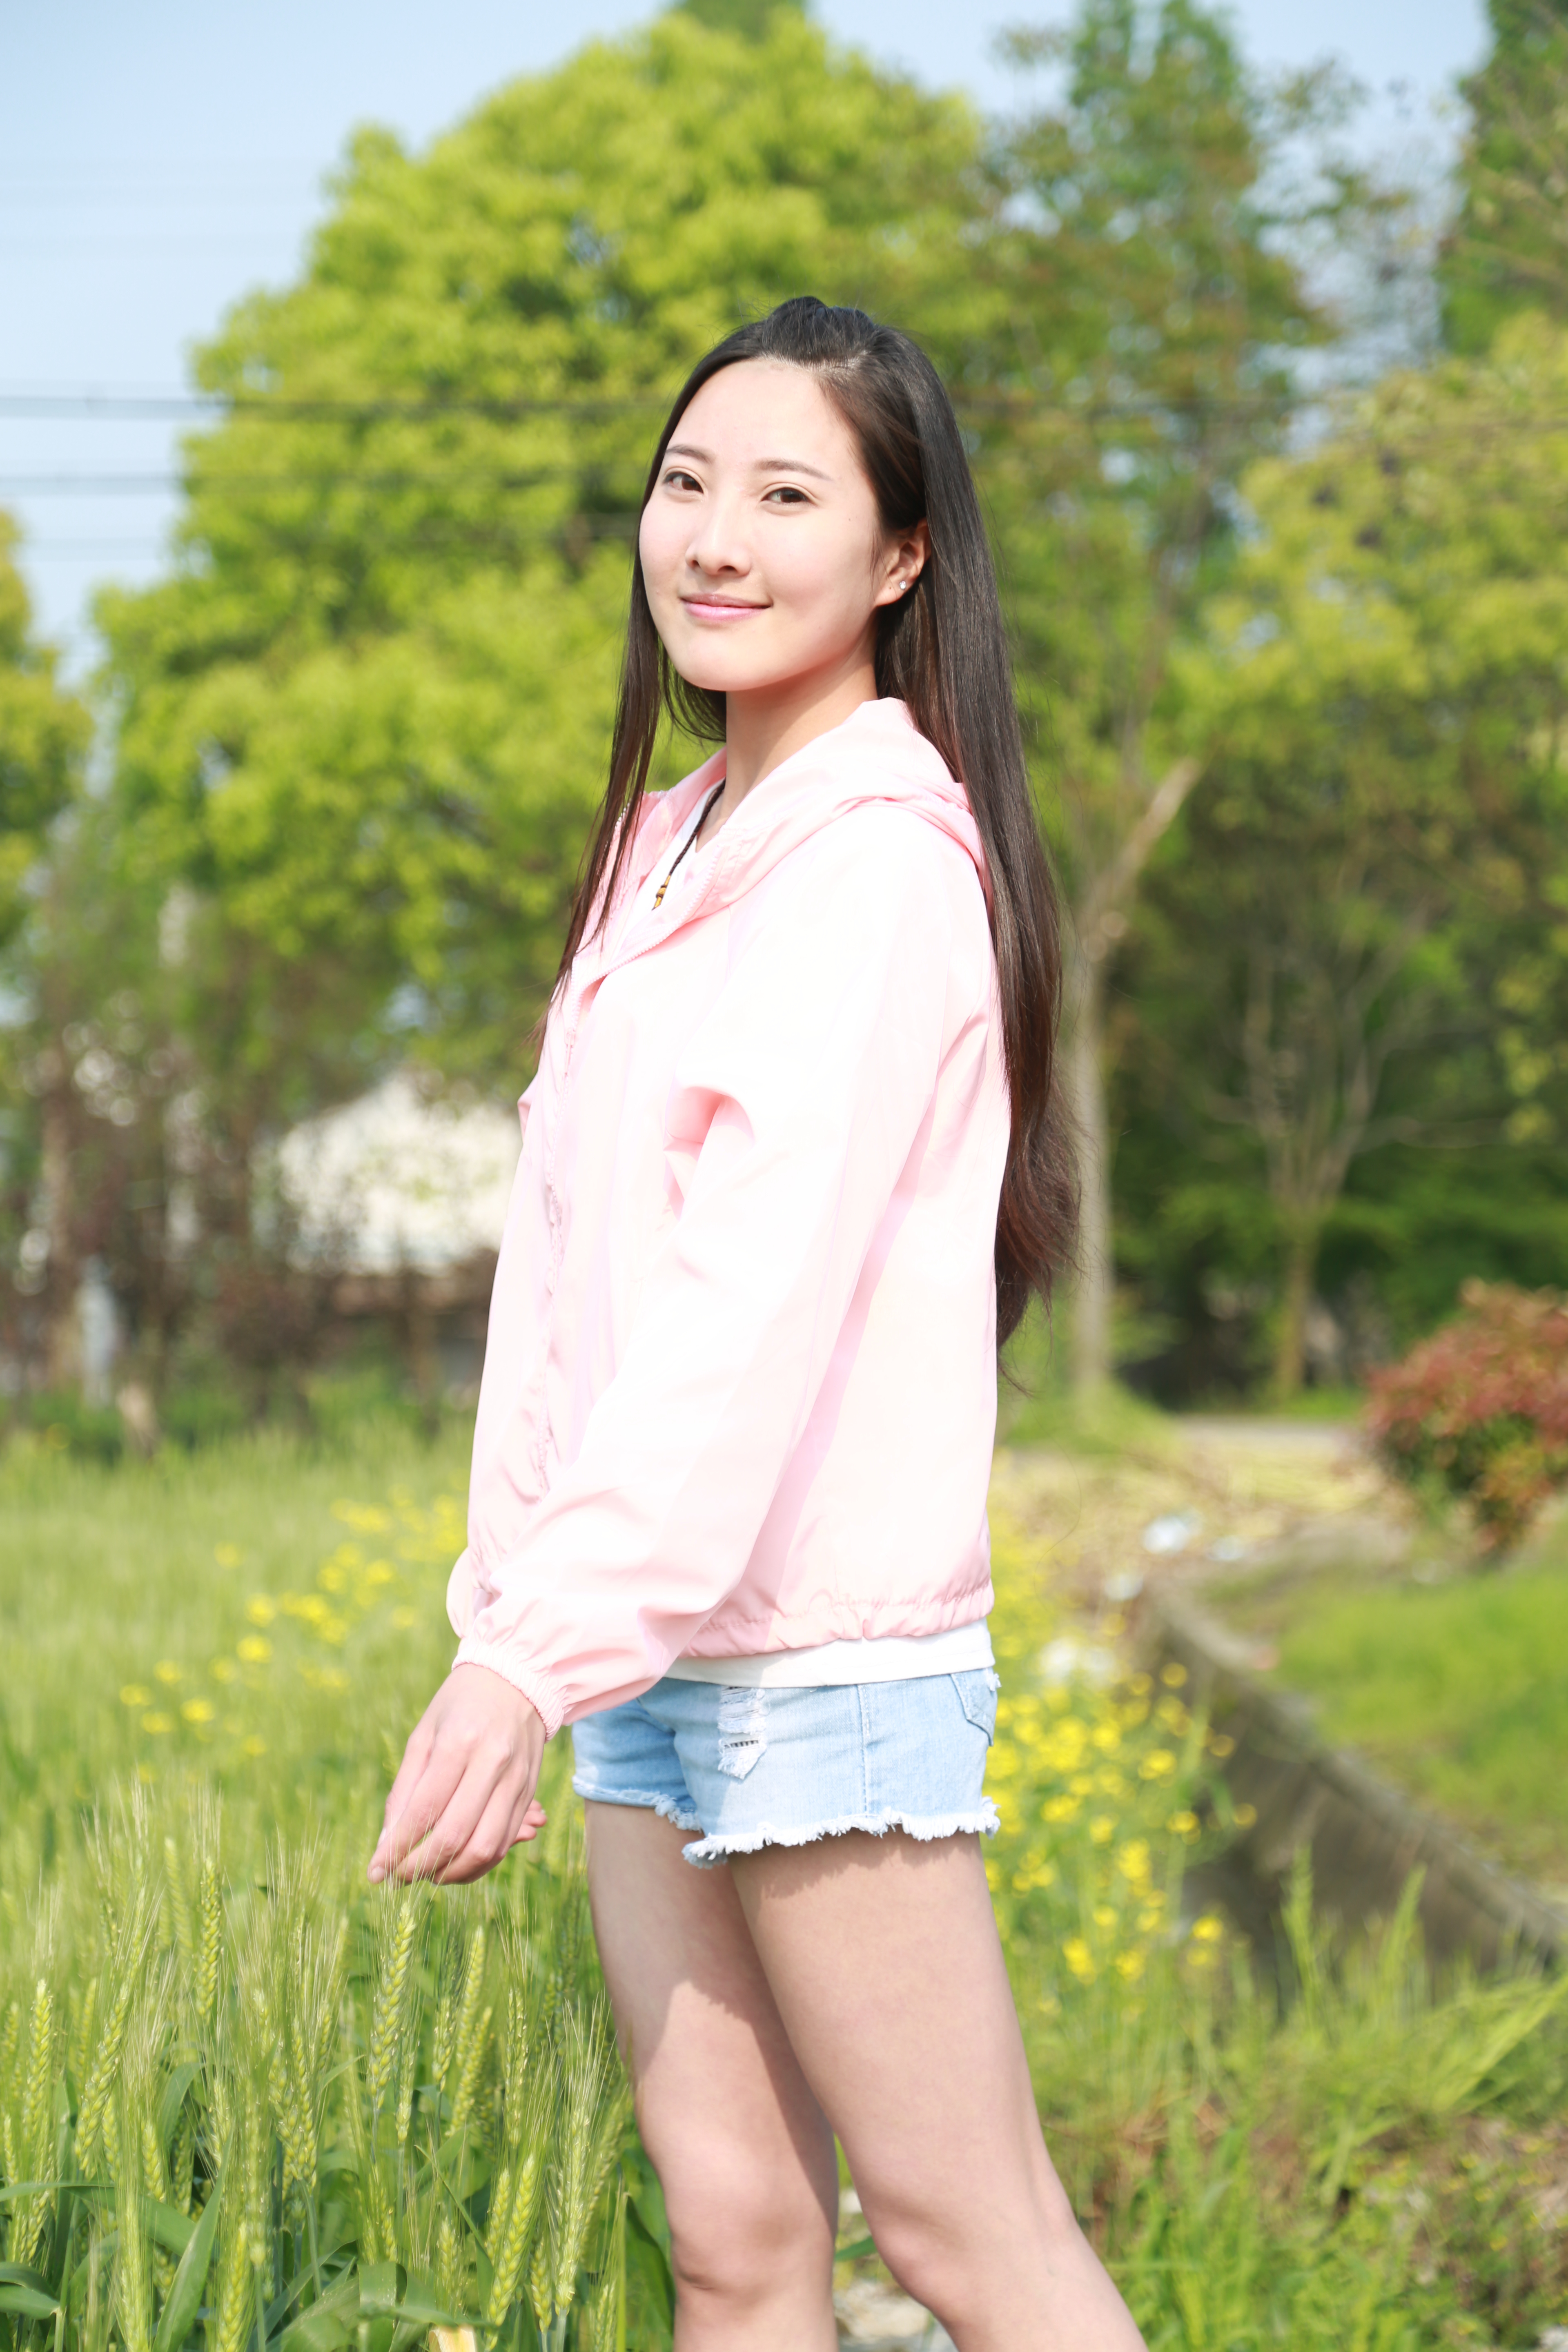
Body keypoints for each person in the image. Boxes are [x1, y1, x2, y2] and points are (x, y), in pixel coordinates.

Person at [370, 296, 1146, 2352]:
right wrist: (522, 1612)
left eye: (787, 496)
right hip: (650, 1648)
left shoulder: (874, 868)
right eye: (687, 483)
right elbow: (570, 1281)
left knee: (972, 2242)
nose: (715, 537)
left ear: (900, 556)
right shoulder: (666, 847)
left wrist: (526, 1658)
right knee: (732, 2240)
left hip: (817, 1663)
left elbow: (744, 1312)